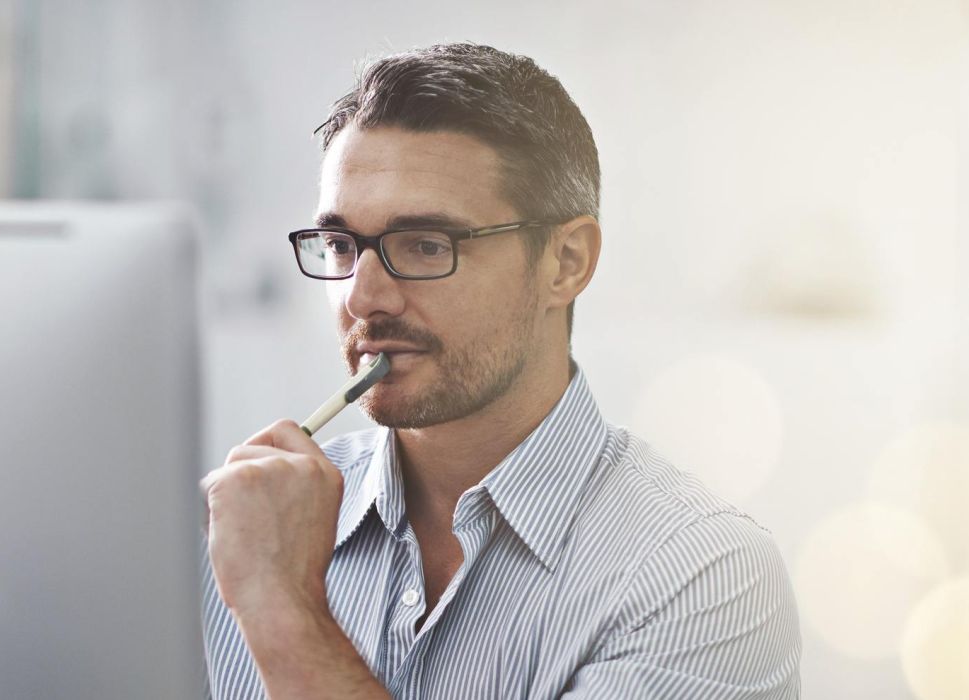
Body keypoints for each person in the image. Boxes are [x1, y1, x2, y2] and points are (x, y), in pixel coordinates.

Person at [200, 43, 800, 698]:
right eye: (342, 246)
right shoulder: (239, 529)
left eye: (426, 245)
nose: (362, 297)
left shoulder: (703, 575)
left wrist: (283, 610)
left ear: (566, 262)